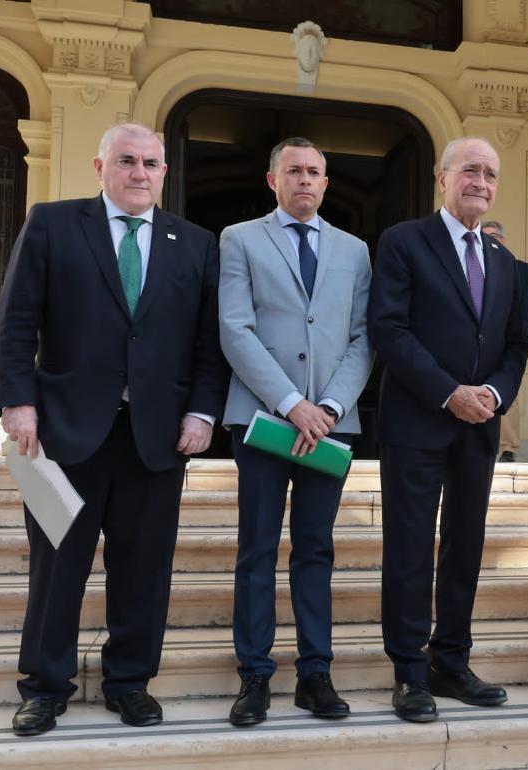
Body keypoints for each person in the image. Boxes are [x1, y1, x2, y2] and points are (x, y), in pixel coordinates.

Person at [0, 122, 228, 736]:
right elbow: (17, 319)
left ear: (164, 173)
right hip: (63, 433)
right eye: (126, 161)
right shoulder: (52, 222)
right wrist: (17, 402)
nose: (140, 173)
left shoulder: (195, 242)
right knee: (57, 566)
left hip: (156, 437)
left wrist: (203, 412)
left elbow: (210, 341)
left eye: (151, 163)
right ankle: (45, 687)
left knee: (144, 567)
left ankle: (129, 682)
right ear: (100, 167)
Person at [368, 136, 528, 723]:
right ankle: (410, 671)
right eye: (469, 170)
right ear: (443, 178)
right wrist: (448, 392)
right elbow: (390, 330)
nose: (479, 182)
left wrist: (491, 394)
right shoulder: (403, 242)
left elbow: (516, 345)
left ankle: (452, 661)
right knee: (410, 550)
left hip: (479, 427)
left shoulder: (511, 266)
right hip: (417, 422)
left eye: (489, 174)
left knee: (465, 547)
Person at [219, 137, 373, 725]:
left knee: (316, 551)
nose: (305, 180)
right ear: (272, 179)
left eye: (314, 172)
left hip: (331, 427)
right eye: (294, 171)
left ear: (326, 184)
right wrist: (291, 404)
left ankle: (316, 674)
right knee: (256, 550)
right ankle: (254, 677)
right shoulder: (239, 239)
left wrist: (328, 406)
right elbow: (236, 329)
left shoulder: (356, 250)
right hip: (263, 423)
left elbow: (363, 337)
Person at [482, 220, 528, 462]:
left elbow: (526, 311)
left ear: (503, 240)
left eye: (493, 236)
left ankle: (508, 449)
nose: (489, 241)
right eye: (485, 237)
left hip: (507, 346)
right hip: (478, 347)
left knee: (507, 397)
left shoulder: (519, 269)